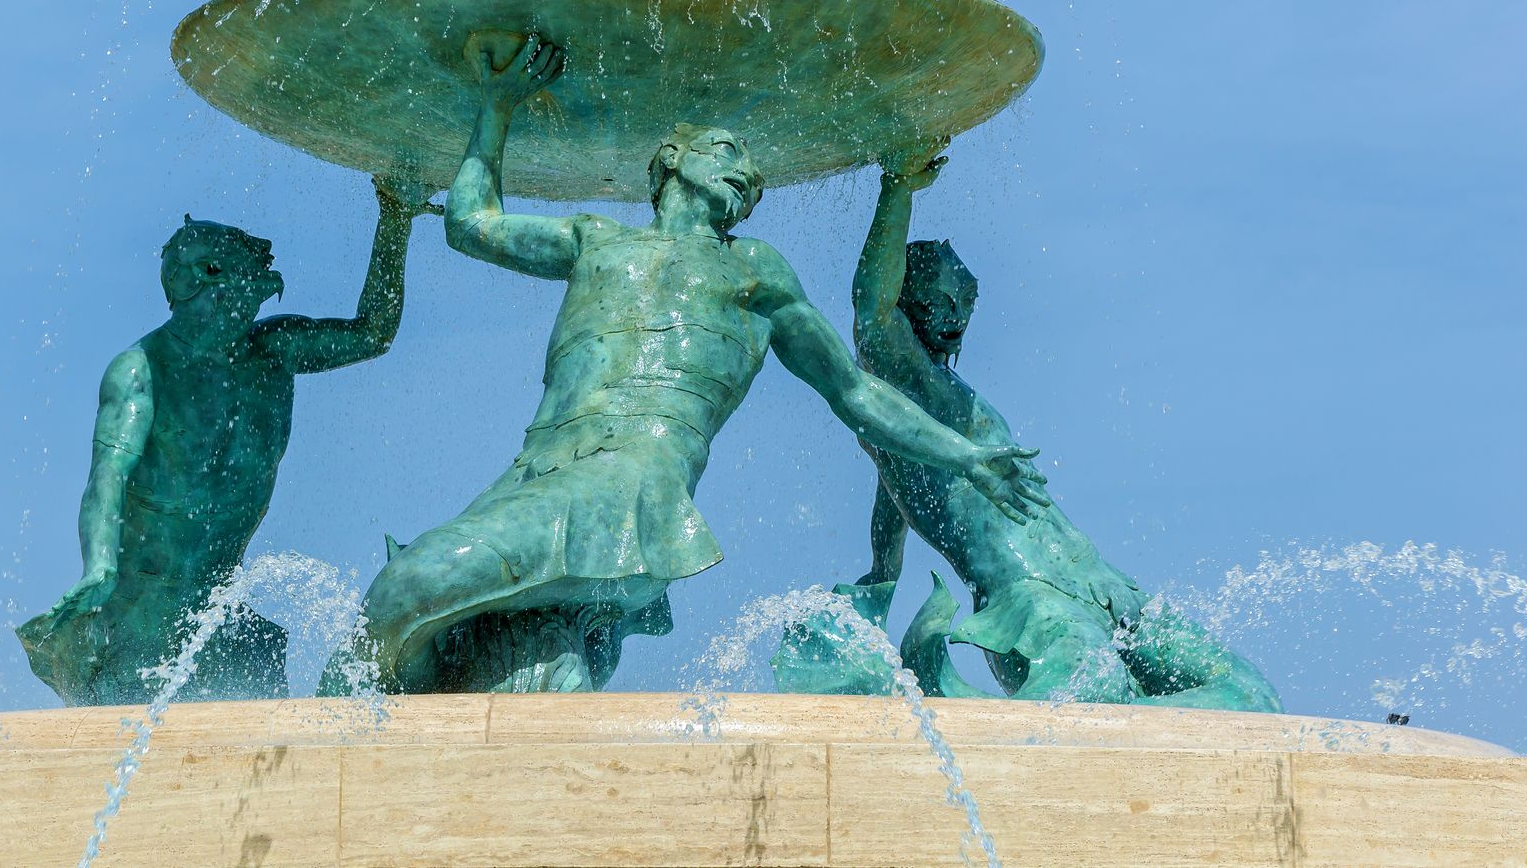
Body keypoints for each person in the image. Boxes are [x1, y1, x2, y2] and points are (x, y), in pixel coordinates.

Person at [321, 34, 1049, 695]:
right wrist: (496, 104)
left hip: (630, 485)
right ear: (673, 156)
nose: (752, 173)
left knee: (400, 592)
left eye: (754, 169)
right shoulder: (593, 238)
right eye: (731, 152)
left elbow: (856, 391)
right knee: (434, 658)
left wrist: (968, 454)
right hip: (533, 478)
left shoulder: (753, 272)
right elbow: (469, 224)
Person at [841, 143, 1280, 709]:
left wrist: (882, 569)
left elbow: (895, 496)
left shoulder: (923, 417)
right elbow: (870, 316)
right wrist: (897, 189)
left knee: (1252, 698)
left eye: (967, 302)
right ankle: (986, 737)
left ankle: (1014, 726)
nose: (956, 317)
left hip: (1108, 587)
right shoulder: (907, 384)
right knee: (1087, 700)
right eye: (942, 300)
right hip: (1031, 602)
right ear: (908, 299)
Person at [18, 176, 439, 704]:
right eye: (243, 277)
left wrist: (394, 220)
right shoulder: (141, 372)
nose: (260, 290)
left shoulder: (274, 351)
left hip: (221, 618)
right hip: (135, 629)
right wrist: (98, 567)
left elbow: (375, 332)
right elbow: (107, 479)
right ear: (199, 281)